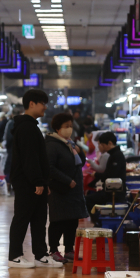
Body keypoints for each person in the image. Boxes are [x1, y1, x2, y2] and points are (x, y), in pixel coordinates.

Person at [8, 89, 63, 269]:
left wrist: (44, 181)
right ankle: (15, 255)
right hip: (27, 182)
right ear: (32, 103)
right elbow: (29, 158)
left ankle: (40, 254)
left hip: (36, 182)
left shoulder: (32, 126)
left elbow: (38, 158)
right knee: (22, 217)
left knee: (39, 219)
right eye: (42, 103)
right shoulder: (25, 127)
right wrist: (37, 181)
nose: (45, 107)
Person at [45, 113, 89, 263]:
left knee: (72, 221)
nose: (69, 129)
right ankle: (54, 250)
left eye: (71, 126)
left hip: (74, 191)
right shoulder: (52, 145)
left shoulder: (69, 144)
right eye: (66, 126)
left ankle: (69, 249)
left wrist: (79, 149)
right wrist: (67, 180)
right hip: (59, 189)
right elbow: (49, 168)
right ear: (57, 128)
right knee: (58, 221)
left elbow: (80, 163)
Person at [85, 132, 127, 214]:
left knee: (87, 200)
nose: (102, 147)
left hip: (114, 193)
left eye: (103, 145)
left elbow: (111, 175)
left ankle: (97, 222)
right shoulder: (113, 155)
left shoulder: (116, 156)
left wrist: (96, 175)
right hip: (110, 190)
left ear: (110, 143)